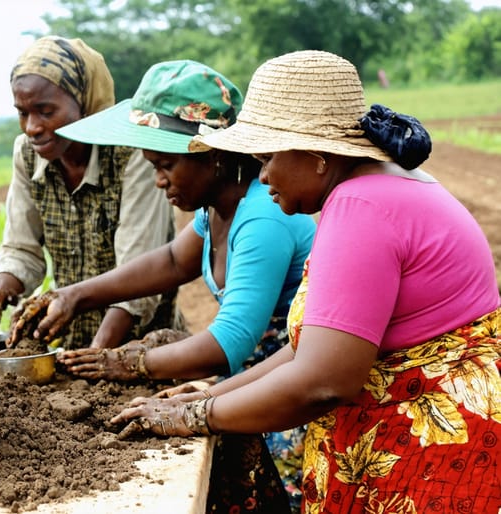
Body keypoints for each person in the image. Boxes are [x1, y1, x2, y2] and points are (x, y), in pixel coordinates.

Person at [111, 50, 501, 514]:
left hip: (430, 461)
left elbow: (323, 380)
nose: (263, 174)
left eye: (269, 156)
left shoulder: (361, 207)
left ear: (317, 156)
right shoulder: (379, 189)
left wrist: (195, 416)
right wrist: (209, 393)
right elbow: (308, 348)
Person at [8, 59, 317, 511]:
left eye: (166, 165)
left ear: (210, 153)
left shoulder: (261, 217)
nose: (158, 181)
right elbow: (172, 261)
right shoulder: (216, 209)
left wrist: (131, 363)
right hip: (251, 384)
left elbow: (229, 341)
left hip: (289, 395)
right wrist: (74, 294)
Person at [0, 36, 184, 350]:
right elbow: (21, 249)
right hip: (71, 348)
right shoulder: (28, 154)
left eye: (45, 111)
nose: (31, 127)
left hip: (144, 349)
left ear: (86, 105)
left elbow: (140, 278)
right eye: (23, 113)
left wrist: (97, 356)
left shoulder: (131, 155)